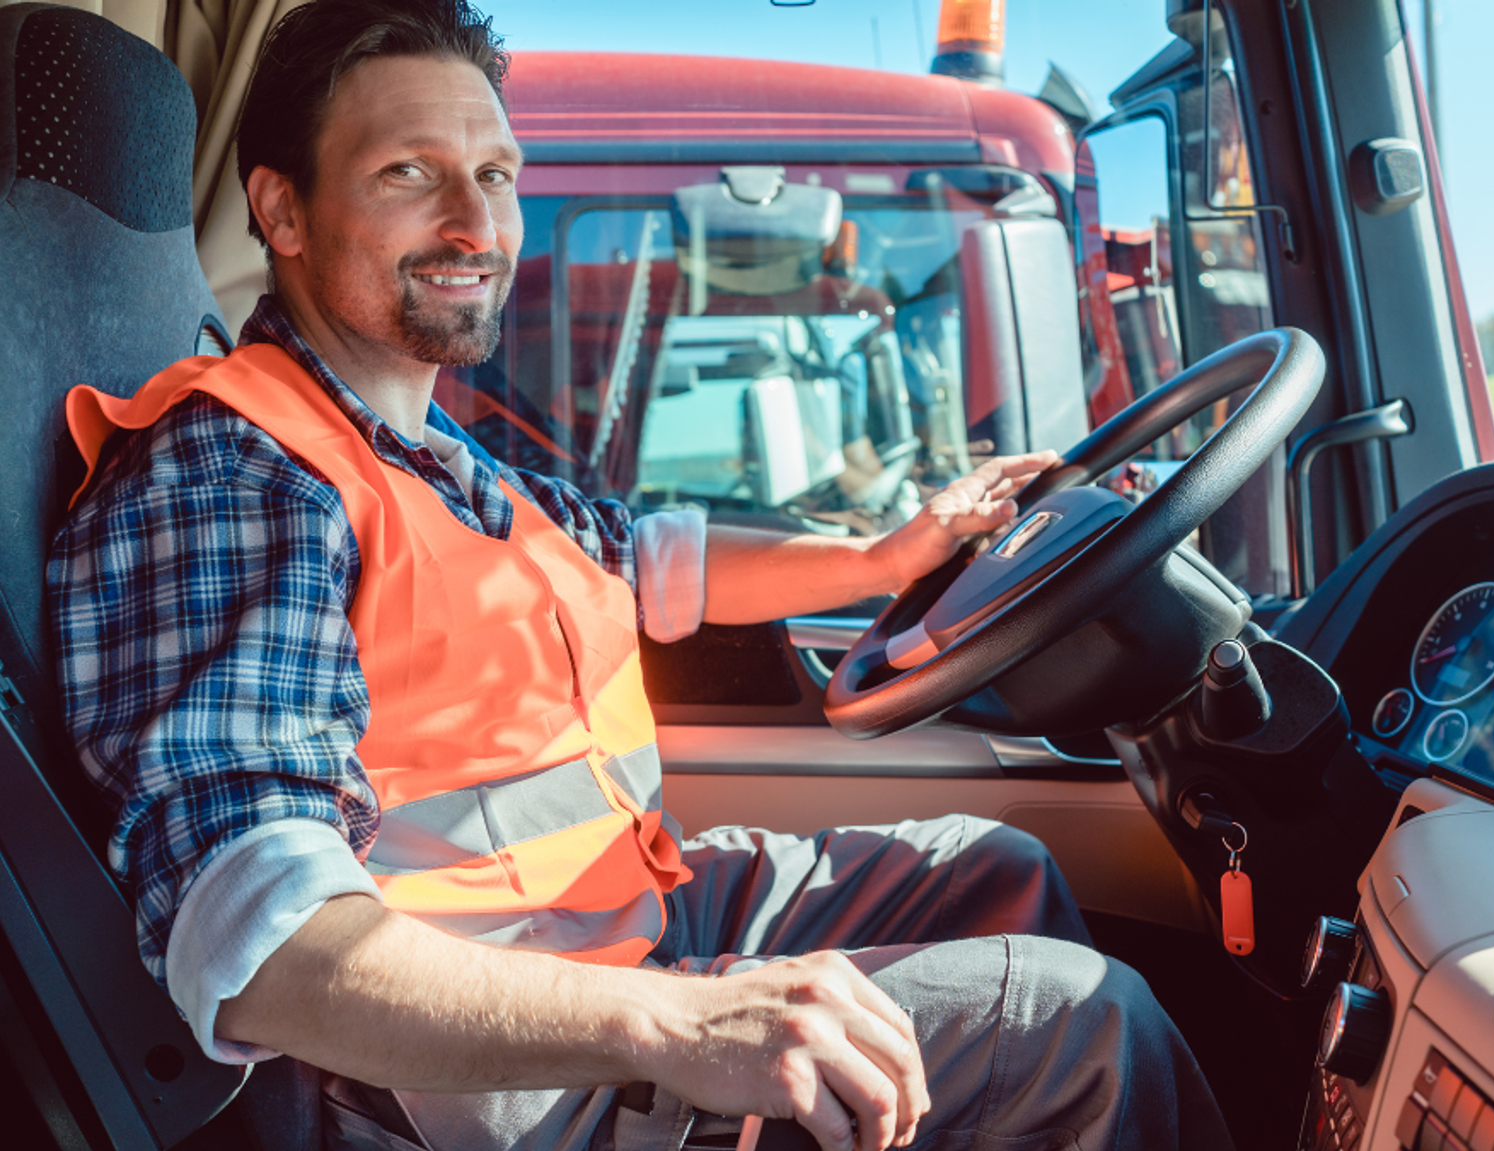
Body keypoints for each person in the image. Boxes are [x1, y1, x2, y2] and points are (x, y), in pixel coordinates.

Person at [48, 2, 1233, 1150]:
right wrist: (678, 1021)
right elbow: (261, 947)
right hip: (472, 1081)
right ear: (282, 211)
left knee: (992, 870)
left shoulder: (421, 451)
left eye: (497, 174)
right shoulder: (238, 471)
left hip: (597, 923)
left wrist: (884, 555)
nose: (475, 224)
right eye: (410, 173)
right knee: (1084, 1029)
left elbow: (641, 555)